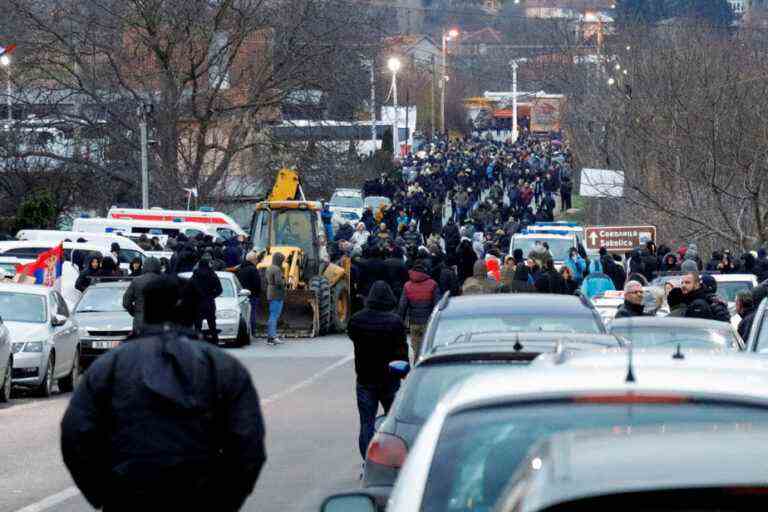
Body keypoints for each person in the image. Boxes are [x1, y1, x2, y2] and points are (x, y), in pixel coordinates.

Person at [61, 276, 266, 512]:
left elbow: (76, 435)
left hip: (129, 496)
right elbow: (248, 444)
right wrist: (222, 500)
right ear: (191, 313)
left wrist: (106, 493)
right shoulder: (221, 367)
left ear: (145, 310)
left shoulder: (109, 367)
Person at [347, 281, 408, 461]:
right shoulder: (395, 322)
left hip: (365, 379)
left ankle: (367, 462)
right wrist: (403, 372)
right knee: (394, 423)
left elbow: (352, 335)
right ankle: (393, 460)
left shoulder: (356, 320)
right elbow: (402, 353)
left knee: (366, 423)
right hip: (390, 380)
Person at [398, 262, 439, 363]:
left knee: (416, 348)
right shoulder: (433, 284)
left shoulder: (407, 286)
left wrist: (400, 322)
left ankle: (417, 366)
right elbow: (437, 304)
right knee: (428, 347)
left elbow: (402, 305)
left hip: (414, 323)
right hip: (428, 322)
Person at [122, 257, 162, 335]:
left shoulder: (136, 280)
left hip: (140, 319)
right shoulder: (163, 280)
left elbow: (126, 302)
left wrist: (135, 312)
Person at [191, 256, 223, 345]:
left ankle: (198, 342)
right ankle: (215, 341)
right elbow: (219, 289)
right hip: (209, 302)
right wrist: (212, 295)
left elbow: (190, 288)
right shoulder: (212, 274)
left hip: (197, 303)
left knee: (198, 325)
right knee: (212, 324)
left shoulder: (195, 275)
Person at [237, 253, 263, 336]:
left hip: (242, 295)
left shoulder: (240, 268)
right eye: (256, 259)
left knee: (244, 314)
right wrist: (258, 293)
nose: (257, 261)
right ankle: (252, 331)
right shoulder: (253, 269)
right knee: (252, 313)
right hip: (252, 295)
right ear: (253, 260)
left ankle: (245, 331)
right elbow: (257, 283)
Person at [265, 252, 286, 345]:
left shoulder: (269, 268)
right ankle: (273, 336)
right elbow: (278, 282)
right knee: (274, 315)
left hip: (270, 292)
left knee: (272, 315)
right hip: (277, 294)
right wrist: (284, 282)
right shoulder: (277, 269)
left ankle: (270, 336)